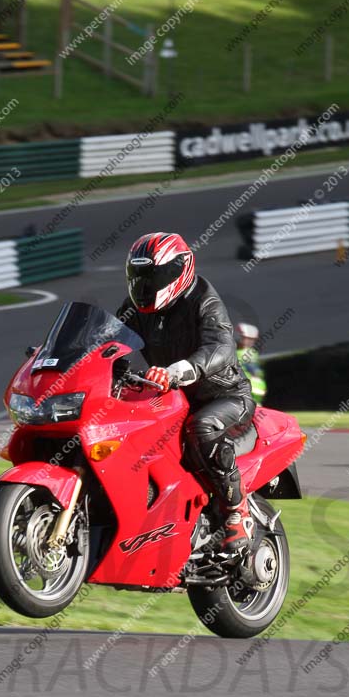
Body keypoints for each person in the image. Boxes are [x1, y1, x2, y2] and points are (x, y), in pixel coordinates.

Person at [116, 232, 256, 554]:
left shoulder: (203, 299)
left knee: (201, 427)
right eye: (140, 278)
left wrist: (180, 370)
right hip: (170, 399)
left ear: (179, 270)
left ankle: (238, 512)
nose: (145, 285)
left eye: (154, 277)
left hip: (223, 397)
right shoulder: (136, 307)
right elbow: (111, 338)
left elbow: (220, 346)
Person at [235, 322, 267, 405]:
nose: (250, 342)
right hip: (248, 386)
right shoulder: (246, 352)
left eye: (251, 339)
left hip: (251, 387)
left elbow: (255, 371)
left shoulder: (248, 353)